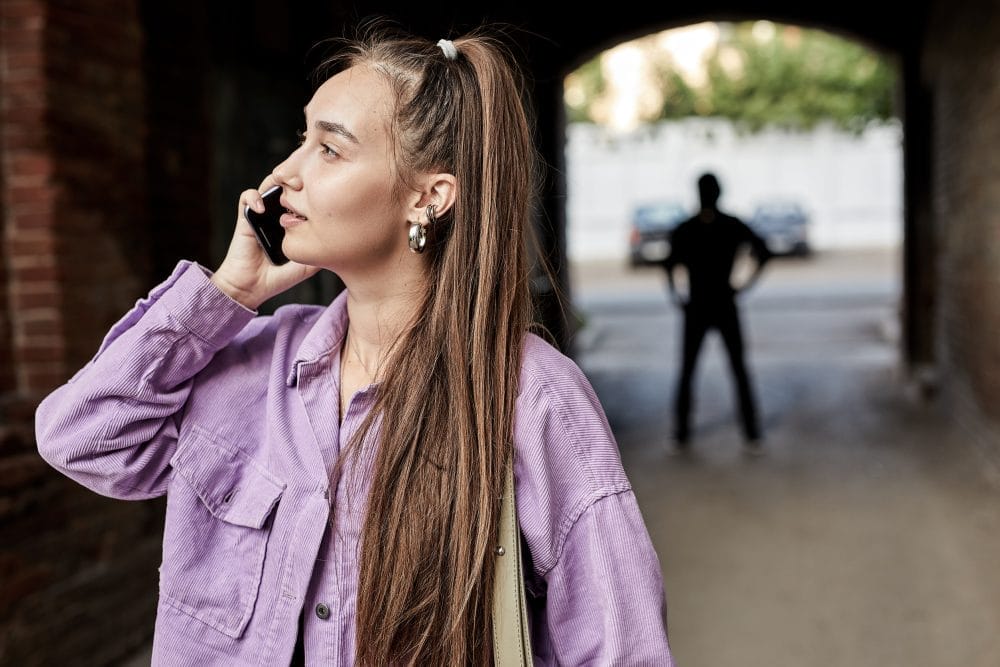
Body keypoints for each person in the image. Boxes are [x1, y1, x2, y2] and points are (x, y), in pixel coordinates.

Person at [34, 20, 674, 666]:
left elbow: (625, 650)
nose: (284, 174)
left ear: (428, 196)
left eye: (330, 150)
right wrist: (228, 293)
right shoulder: (250, 366)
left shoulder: (530, 398)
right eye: (300, 139)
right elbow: (81, 436)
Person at [662, 172, 771, 452]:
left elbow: (669, 264)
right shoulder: (731, 225)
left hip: (698, 305)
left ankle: (682, 433)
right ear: (719, 193)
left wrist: (677, 296)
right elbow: (764, 251)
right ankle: (752, 433)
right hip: (724, 302)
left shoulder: (686, 228)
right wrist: (744, 285)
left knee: (689, 369)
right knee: (737, 369)